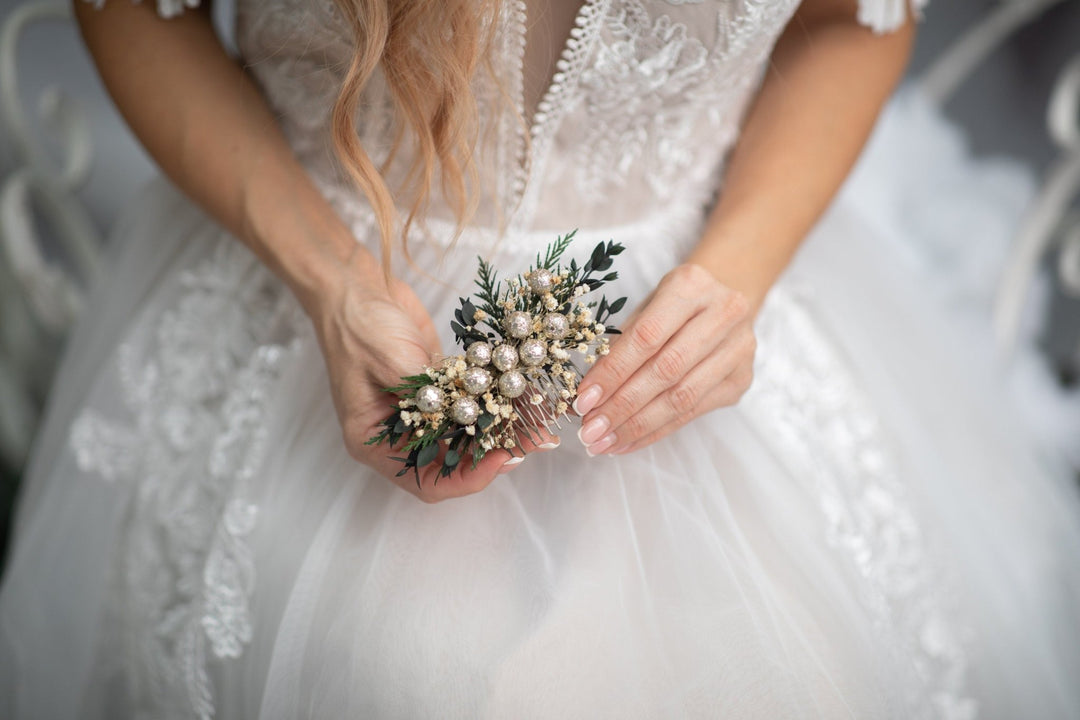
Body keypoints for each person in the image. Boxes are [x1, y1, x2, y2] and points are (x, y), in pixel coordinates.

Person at [2, 0, 1079, 717]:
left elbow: (861, 17)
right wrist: (330, 284)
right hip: (322, 297)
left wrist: (738, 275)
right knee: (399, 672)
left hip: (707, 290)